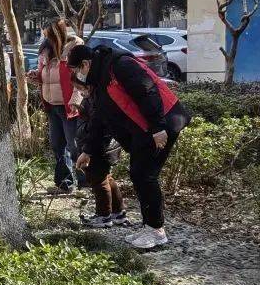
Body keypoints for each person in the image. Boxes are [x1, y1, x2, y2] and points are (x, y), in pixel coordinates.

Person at [69, 43, 190, 250]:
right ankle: (151, 227)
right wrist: (88, 151)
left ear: (86, 64)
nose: (77, 75)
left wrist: (158, 127)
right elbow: (99, 119)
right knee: (140, 173)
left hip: (162, 123)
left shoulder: (120, 65)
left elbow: (147, 91)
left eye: (76, 70)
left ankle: (156, 231)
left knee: (144, 174)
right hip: (143, 131)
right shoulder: (99, 79)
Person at [28, 19, 84, 193]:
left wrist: (76, 98)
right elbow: (45, 76)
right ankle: (64, 184)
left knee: (75, 146)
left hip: (69, 106)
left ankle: (88, 181)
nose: (45, 38)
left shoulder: (74, 48)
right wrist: (35, 76)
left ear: (57, 34)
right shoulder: (45, 50)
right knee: (57, 145)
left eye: (48, 35)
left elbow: (81, 77)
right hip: (52, 106)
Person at [72, 79, 127, 228]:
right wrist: (81, 109)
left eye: (79, 88)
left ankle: (104, 215)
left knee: (98, 181)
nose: (79, 92)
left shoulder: (97, 99)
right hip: (107, 146)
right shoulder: (97, 96)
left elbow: (96, 126)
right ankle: (118, 212)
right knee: (107, 178)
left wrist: (86, 151)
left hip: (98, 147)